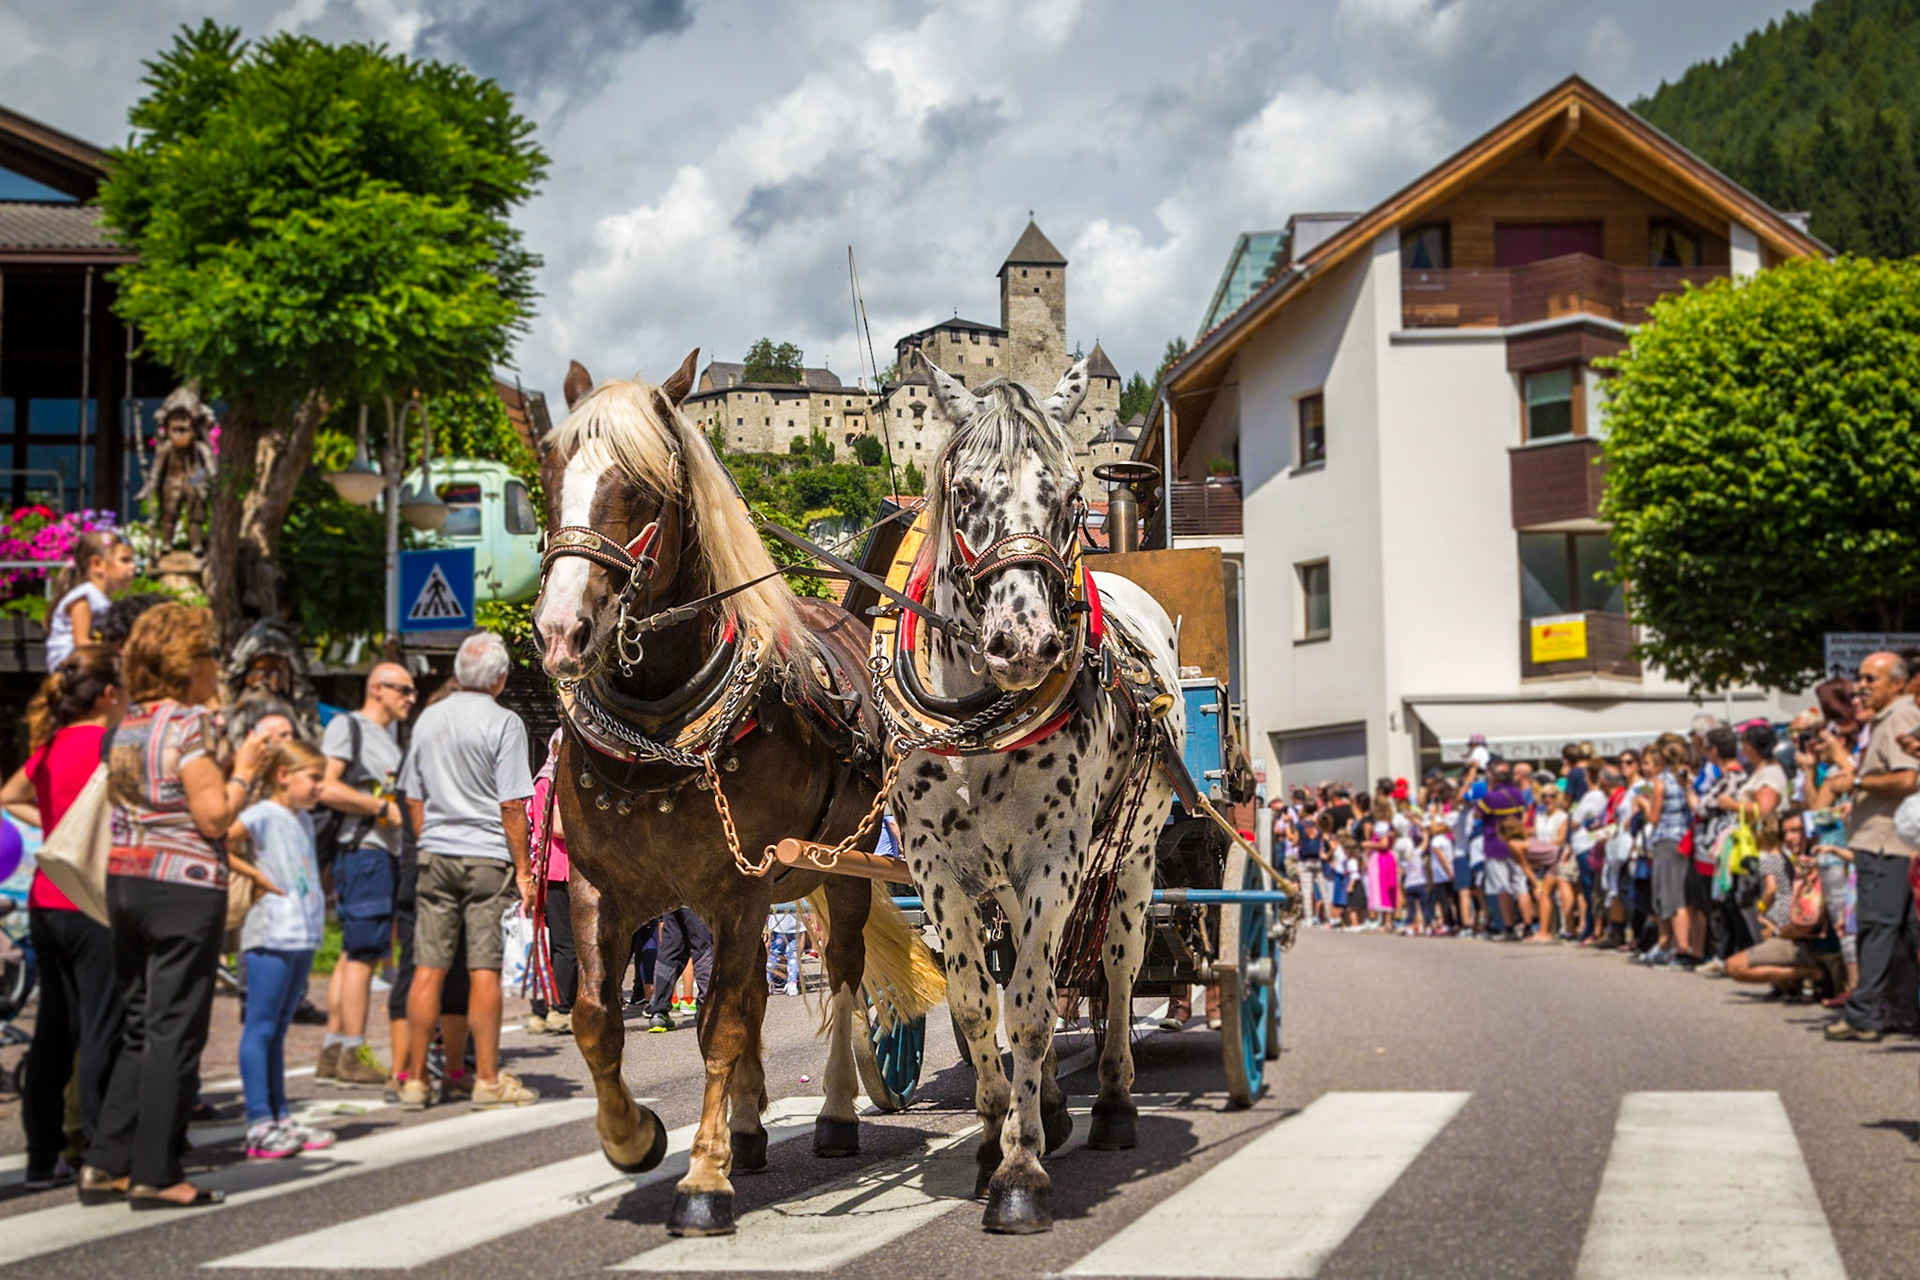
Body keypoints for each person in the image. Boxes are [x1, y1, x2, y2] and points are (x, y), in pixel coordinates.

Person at [80, 604, 271, 1209]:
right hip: (183, 887)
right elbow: (212, 814)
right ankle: (156, 1173)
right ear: (187, 663)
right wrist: (245, 773)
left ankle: (106, 1161)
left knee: (139, 1024)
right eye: (210, 655)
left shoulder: (127, 725)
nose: (217, 666)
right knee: (174, 1029)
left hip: (126, 880)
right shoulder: (189, 724)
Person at [0, 647, 128, 1190]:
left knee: (54, 1028)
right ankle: (100, 1151)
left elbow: (9, 795)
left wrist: (56, 825)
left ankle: (40, 1155)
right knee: (102, 1025)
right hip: (94, 896)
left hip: (47, 898)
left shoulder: (50, 744)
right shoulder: (110, 745)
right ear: (106, 695)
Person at [398, 631, 538, 1106]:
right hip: (486, 858)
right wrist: (524, 871)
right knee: (483, 969)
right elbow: (513, 806)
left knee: (427, 969)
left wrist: (429, 841)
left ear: (458, 673)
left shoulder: (428, 719)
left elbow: (412, 796)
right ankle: (487, 1078)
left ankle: (416, 1079)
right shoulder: (505, 723)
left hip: (435, 853)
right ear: (499, 679)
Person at [230, 741, 336, 1159]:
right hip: (271, 933)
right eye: (313, 778)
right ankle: (259, 1121)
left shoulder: (301, 819)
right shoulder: (261, 814)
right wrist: (254, 875)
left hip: (300, 933)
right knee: (261, 1026)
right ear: (283, 776)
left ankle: (279, 1114)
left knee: (277, 1030)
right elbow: (222, 841)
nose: (319, 787)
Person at [314, 663, 415, 1088]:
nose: (410, 697)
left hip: (378, 853)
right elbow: (325, 786)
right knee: (364, 952)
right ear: (377, 689)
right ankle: (352, 1050)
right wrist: (380, 809)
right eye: (403, 690)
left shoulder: (387, 737)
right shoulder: (348, 728)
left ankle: (335, 1048)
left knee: (355, 951)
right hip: (365, 852)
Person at [1827, 652, 1920, 1042]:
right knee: (1896, 932)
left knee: (1877, 927)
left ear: (1897, 683)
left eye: (1871, 679)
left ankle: (1865, 1013)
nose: (1861, 685)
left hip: (1889, 841)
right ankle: (1902, 1012)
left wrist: (1857, 783)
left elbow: (1906, 779)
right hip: (1883, 839)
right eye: (1860, 677)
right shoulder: (1888, 718)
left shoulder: (1900, 717)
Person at [527, 730, 577, 1035]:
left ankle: (539, 1011)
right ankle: (560, 1009)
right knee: (567, 945)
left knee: (546, 944)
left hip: (545, 870)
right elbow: (559, 827)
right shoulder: (554, 783)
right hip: (560, 870)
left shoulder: (539, 780)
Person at [44, 530, 135, 671]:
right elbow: (82, 643)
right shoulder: (84, 597)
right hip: (68, 665)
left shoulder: (100, 598)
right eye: (125, 560)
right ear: (97, 564)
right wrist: (115, 653)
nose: (132, 566)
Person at [1641, 735, 1696, 967]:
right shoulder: (1687, 777)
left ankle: (1680, 948)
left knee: (1669, 896)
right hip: (1685, 838)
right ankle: (1669, 944)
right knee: (1679, 894)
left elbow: (1654, 817)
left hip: (1666, 839)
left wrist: (1644, 804)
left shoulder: (1661, 782)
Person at [1475, 762, 1532, 939]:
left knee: (1503, 888)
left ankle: (1509, 927)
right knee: (1521, 886)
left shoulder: (1491, 797)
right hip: (1517, 842)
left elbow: (1477, 814)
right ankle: (1528, 925)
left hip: (1496, 843)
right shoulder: (1518, 794)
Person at [647, 908, 714, 1032]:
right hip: (698, 898)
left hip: (674, 898)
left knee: (670, 950)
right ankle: (707, 1009)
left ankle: (658, 1012)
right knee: (703, 948)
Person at [1527, 784, 1572, 942]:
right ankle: (1547, 928)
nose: (1547, 799)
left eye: (1551, 796)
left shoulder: (1562, 816)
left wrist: (1542, 847)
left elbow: (1560, 839)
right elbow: (1533, 833)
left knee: (1545, 892)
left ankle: (1545, 931)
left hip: (1556, 857)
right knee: (1539, 894)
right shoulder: (1539, 816)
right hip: (1541, 858)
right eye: (1544, 796)